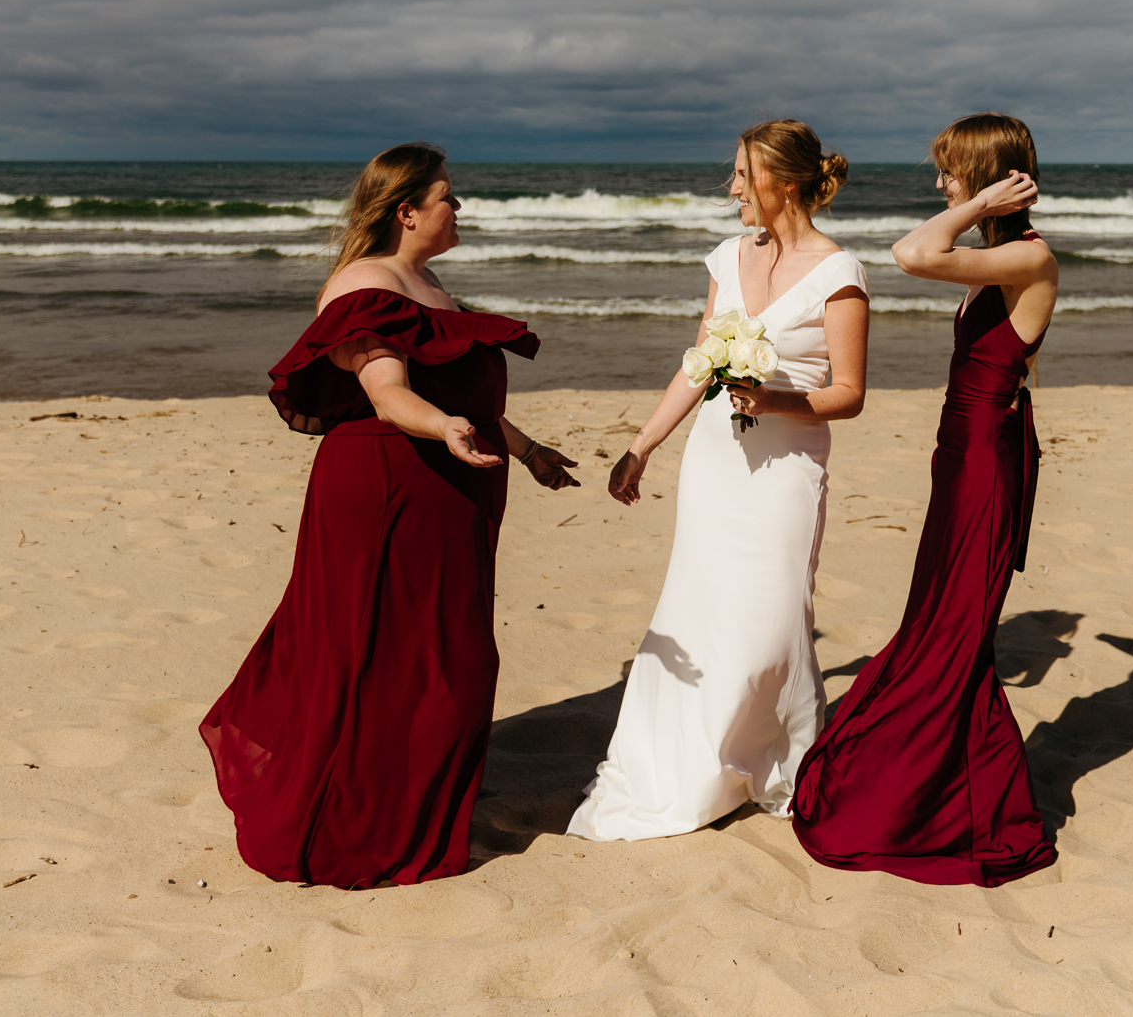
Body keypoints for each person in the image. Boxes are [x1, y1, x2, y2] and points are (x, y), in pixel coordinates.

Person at [200, 142, 580, 888]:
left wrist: (530, 449)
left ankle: (416, 801)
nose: (458, 206)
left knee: (449, 653)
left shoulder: (430, 281)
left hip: (451, 483)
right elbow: (390, 392)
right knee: (380, 654)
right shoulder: (365, 283)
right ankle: (358, 823)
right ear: (407, 210)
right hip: (389, 484)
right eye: (448, 195)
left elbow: (465, 395)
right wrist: (440, 428)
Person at [568, 121, 869, 841]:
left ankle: (767, 754)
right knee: (702, 603)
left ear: (783, 183)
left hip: (789, 463)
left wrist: (776, 400)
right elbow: (698, 362)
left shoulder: (840, 272)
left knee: (772, 616)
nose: (730, 188)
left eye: (742, 175)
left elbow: (850, 391)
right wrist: (643, 444)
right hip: (716, 459)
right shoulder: (729, 256)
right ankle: (692, 758)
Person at [792, 111, 1059, 887]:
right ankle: (948, 788)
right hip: (962, 455)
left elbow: (912, 253)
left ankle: (945, 803)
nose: (939, 184)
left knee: (952, 631)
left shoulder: (1028, 260)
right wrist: (977, 210)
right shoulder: (998, 256)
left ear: (989, 179)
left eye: (950, 173)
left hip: (986, 461)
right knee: (942, 622)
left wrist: (976, 207)